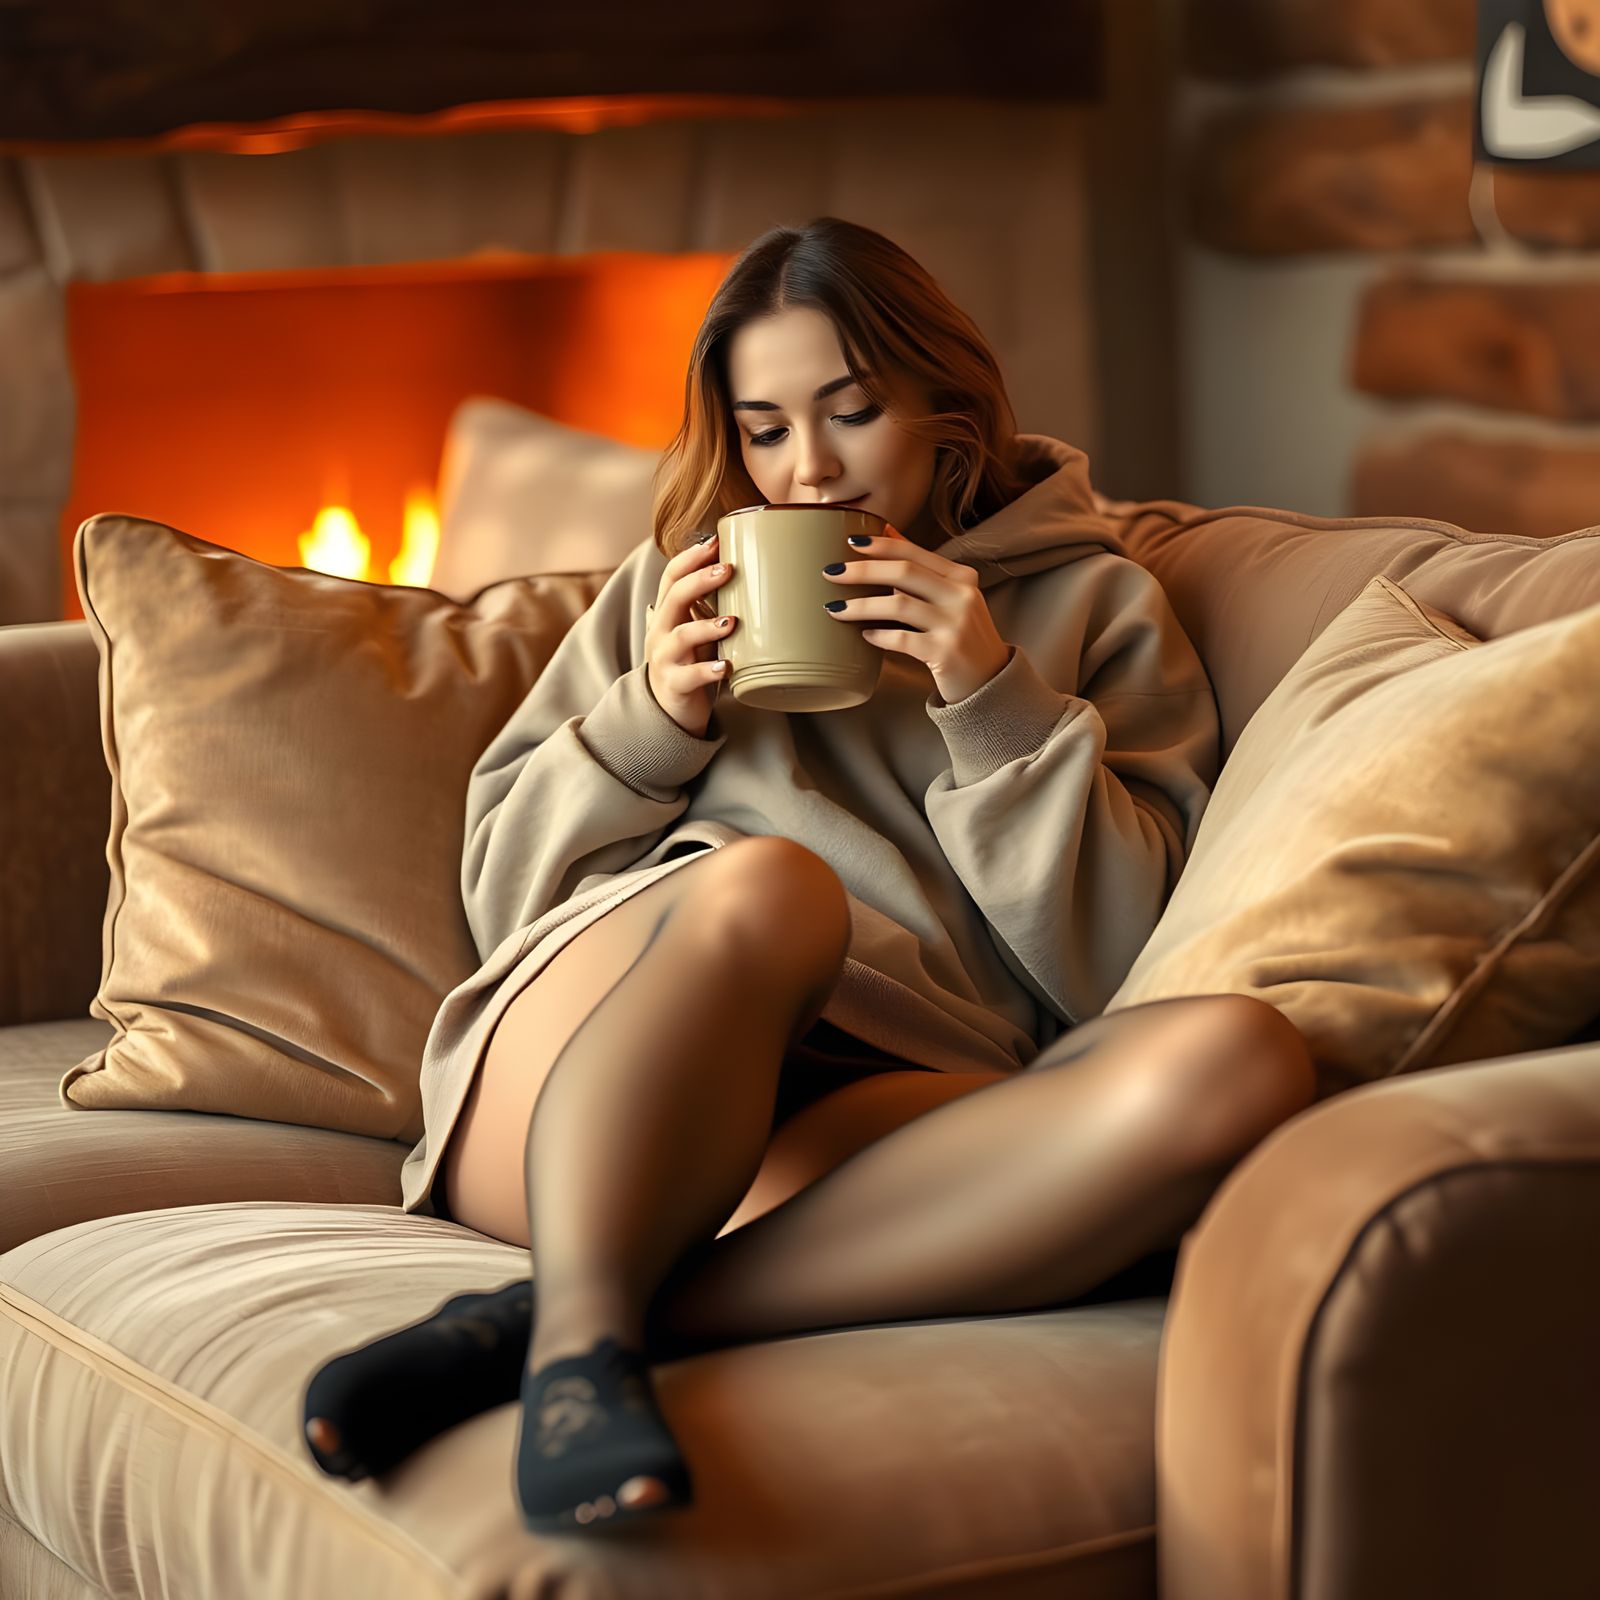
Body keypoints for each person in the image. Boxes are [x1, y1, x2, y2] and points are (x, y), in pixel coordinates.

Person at [301, 216, 1316, 1535]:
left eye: (851, 413)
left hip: (847, 1120)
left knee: (1239, 1064)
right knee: (769, 886)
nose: (808, 470)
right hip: (578, 1084)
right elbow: (502, 900)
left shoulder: (1095, 611)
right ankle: (581, 1344)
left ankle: (561, 1328)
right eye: (767, 428)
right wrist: (652, 718)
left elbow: (1119, 971)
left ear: (946, 414)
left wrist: (989, 696)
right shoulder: (679, 585)